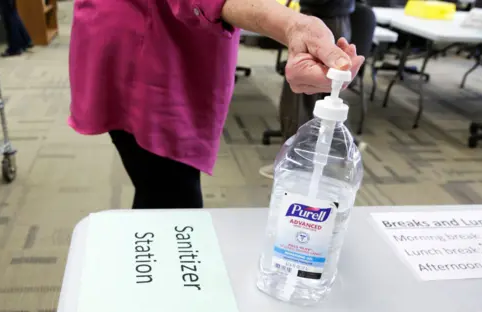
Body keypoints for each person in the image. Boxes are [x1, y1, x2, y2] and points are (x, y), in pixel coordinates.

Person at [69, 0, 364, 209]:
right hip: (150, 47)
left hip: (139, 31)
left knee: (158, 189)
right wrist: (293, 25)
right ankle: (155, 289)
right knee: (173, 197)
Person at [280, 0, 357, 139]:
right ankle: (302, 143)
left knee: (306, 88)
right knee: (317, 86)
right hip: (334, 15)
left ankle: (298, 143)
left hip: (326, 15)